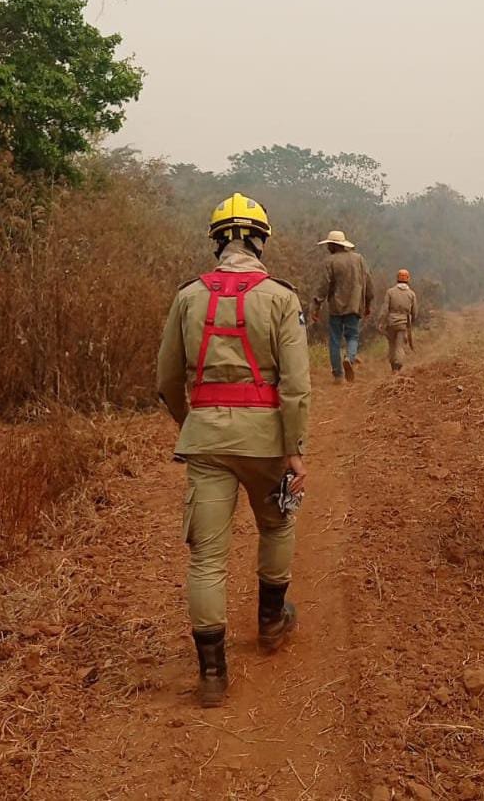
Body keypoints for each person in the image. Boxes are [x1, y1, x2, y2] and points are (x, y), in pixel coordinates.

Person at [157, 193, 311, 707]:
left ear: (217, 241)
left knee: (206, 557)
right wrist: (294, 449)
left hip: (206, 440)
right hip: (267, 440)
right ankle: (271, 623)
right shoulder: (281, 297)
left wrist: (192, 424)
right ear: (261, 240)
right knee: (278, 524)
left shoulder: (187, 296)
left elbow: (167, 378)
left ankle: (212, 674)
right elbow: (295, 386)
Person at [310, 230, 374, 384]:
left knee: (334, 340)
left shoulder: (329, 262)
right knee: (352, 336)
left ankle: (338, 375)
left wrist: (316, 306)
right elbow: (368, 282)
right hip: (354, 305)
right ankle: (350, 359)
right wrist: (368, 303)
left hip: (335, 307)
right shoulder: (359, 259)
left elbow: (323, 286)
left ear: (332, 245)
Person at [380, 269, 418, 373]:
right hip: (403, 323)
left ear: (397, 278)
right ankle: (397, 366)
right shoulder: (411, 294)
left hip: (391, 323)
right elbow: (414, 312)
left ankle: (393, 366)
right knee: (399, 346)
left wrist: (381, 322)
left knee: (392, 345)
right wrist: (411, 322)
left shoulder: (390, 292)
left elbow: (384, 309)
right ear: (408, 279)